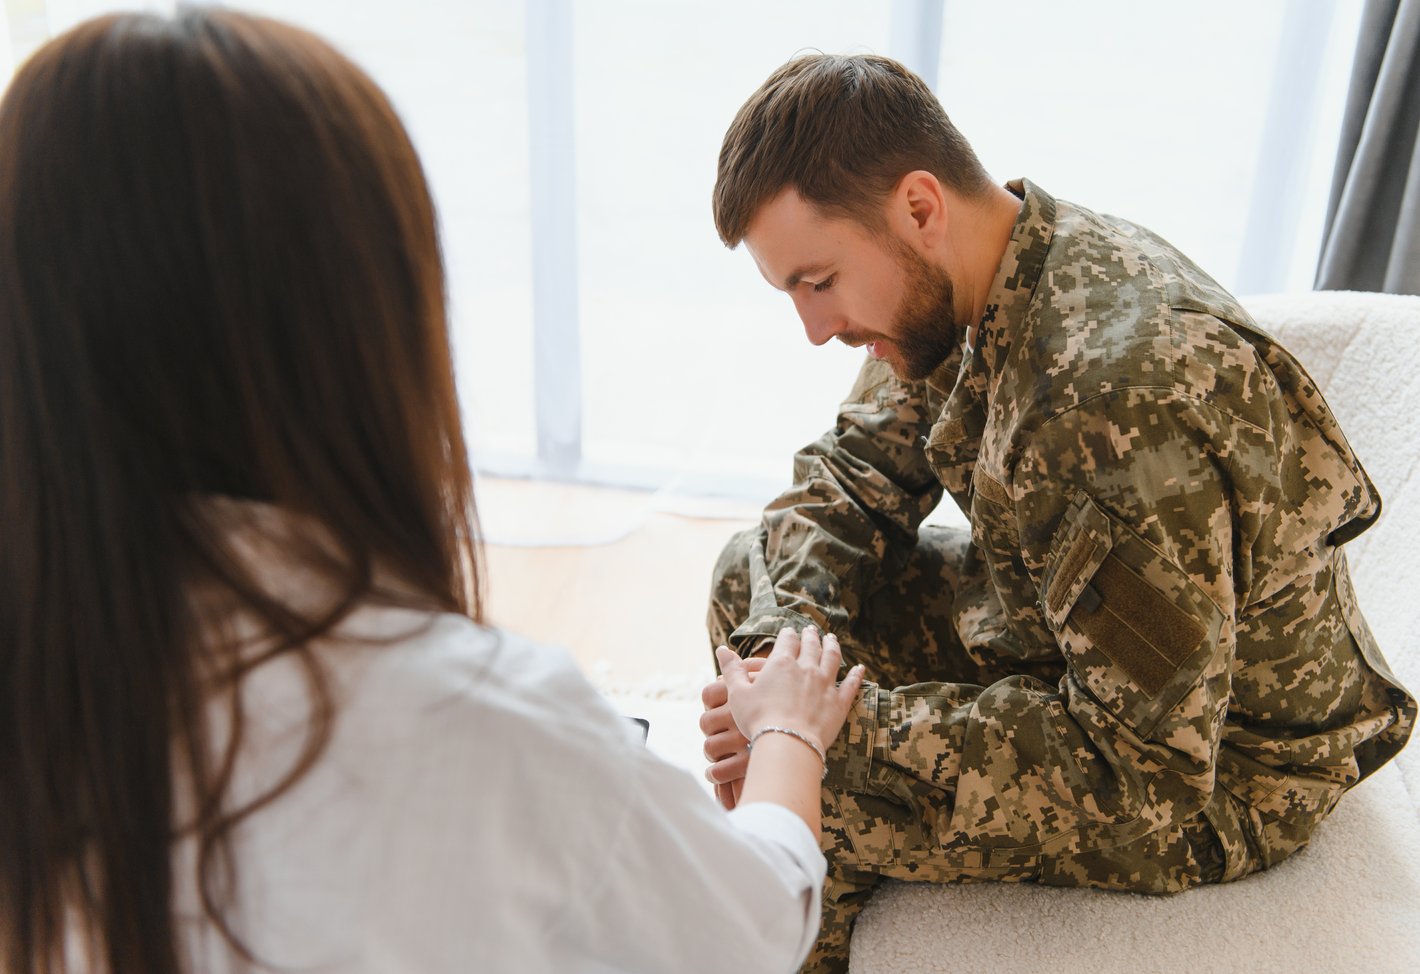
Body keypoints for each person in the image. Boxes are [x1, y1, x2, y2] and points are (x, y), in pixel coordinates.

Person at [0, 10, 866, 973]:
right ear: (364, 332)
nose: (817, 333)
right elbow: (751, 928)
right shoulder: (490, 732)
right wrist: (790, 727)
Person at [698, 53, 1417, 973]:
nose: (813, 328)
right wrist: (783, 664)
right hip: (1064, 639)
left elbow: (1141, 771)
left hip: (1228, 766)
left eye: (818, 281)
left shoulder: (1115, 398)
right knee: (749, 589)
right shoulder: (961, 281)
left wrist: (811, 733)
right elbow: (848, 479)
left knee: (809, 771)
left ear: (919, 207)